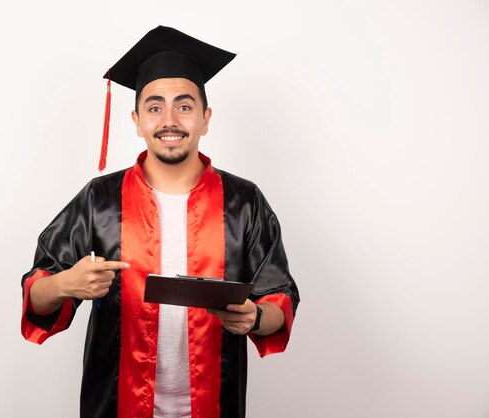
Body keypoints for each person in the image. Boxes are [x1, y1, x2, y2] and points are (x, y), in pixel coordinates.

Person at [20, 26, 300, 418]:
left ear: (205, 119)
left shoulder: (243, 202)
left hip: (214, 407)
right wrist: (65, 284)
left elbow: (280, 300)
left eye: (184, 106)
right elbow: (35, 294)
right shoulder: (99, 200)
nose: (169, 120)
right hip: (115, 407)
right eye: (154, 107)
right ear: (137, 120)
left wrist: (255, 316)